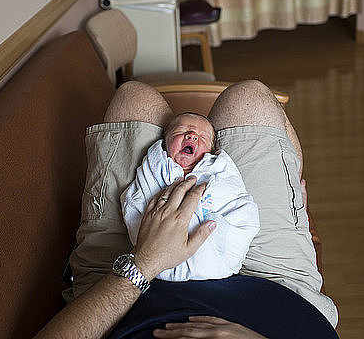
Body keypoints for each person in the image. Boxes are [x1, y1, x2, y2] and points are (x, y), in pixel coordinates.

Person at [37, 80, 338, 338]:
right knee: (249, 97)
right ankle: (294, 208)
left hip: (119, 295)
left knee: (134, 98)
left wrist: (143, 262)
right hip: (274, 292)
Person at [121, 112, 259, 282]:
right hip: (157, 256)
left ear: (210, 152)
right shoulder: (156, 167)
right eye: (180, 131)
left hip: (215, 255)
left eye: (203, 136)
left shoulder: (218, 169)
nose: (192, 135)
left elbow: (237, 199)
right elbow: (134, 200)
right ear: (165, 144)